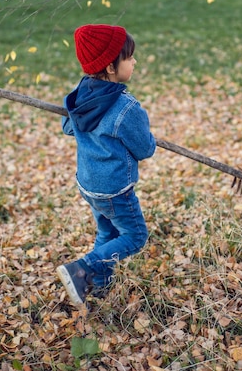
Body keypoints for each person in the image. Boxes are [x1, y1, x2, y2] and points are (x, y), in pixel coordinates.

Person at [56, 24, 157, 306]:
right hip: (114, 189)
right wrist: (146, 133)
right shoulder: (126, 108)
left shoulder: (79, 95)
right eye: (129, 58)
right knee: (135, 236)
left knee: (108, 232)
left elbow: (68, 127)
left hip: (88, 184)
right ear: (111, 67)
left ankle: (100, 286)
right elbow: (145, 148)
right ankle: (81, 269)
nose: (134, 61)